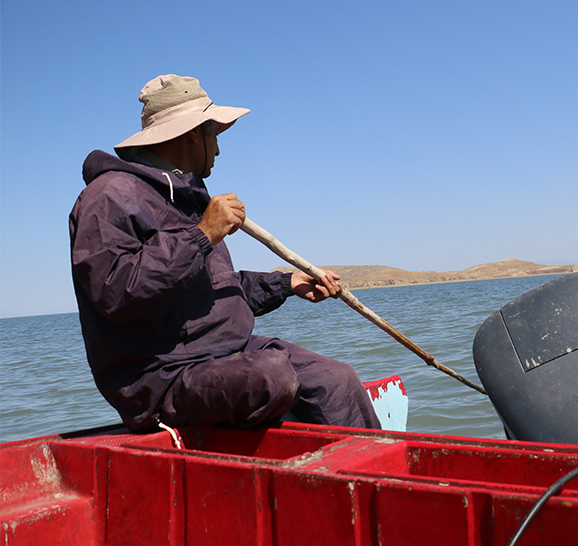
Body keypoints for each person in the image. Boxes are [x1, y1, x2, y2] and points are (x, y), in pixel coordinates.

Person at [69, 74, 381, 433]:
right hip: (160, 377)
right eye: (213, 135)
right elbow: (117, 293)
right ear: (191, 134)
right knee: (272, 375)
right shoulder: (108, 197)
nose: (217, 149)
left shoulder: (184, 197)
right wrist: (203, 235)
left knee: (336, 378)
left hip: (227, 353)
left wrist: (286, 283)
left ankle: (379, 479)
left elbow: (213, 293)